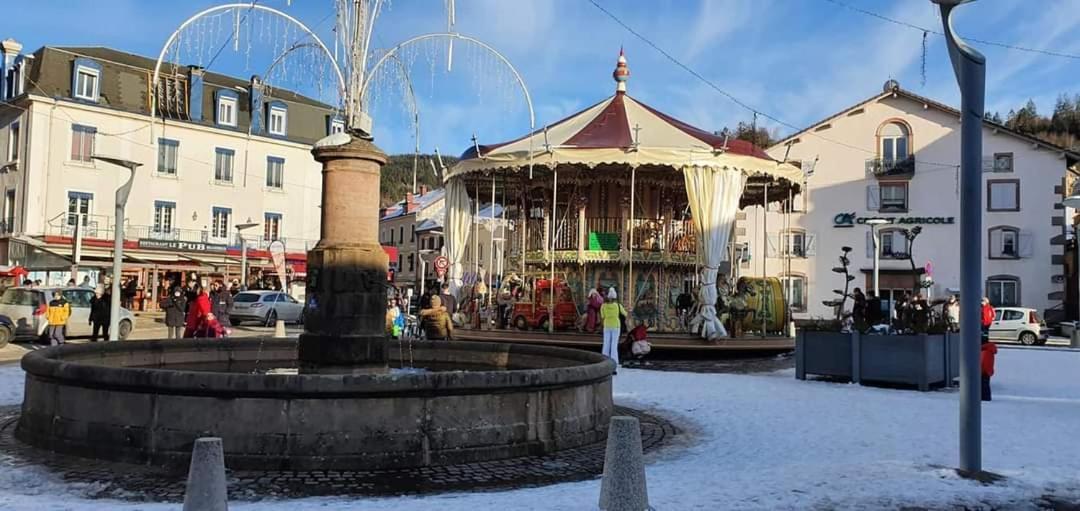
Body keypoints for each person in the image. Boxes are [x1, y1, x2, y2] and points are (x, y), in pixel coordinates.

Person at [599, 288, 627, 370]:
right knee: (614, 345)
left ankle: (604, 362)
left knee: (606, 344)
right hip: (616, 326)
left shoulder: (603, 306)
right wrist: (629, 310)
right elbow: (625, 314)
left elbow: (602, 316)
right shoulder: (618, 305)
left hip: (607, 325)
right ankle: (614, 362)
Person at [981, 335, 997, 401]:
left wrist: (981, 371)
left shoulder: (985, 351)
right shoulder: (989, 349)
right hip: (987, 370)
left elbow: (983, 362)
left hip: (984, 371)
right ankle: (985, 397)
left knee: (984, 385)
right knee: (985, 385)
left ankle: (985, 398)